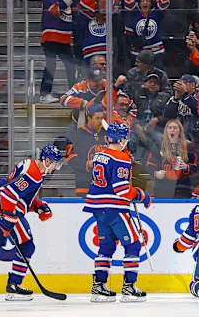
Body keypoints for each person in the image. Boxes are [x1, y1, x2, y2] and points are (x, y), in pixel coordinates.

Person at [0, 144, 63, 301]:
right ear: (46, 160)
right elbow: (10, 195)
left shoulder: (33, 167)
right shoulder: (32, 173)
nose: (55, 167)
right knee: (27, 245)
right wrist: (8, 218)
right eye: (55, 163)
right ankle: (14, 286)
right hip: (6, 210)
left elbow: (20, 194)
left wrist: (37, 206)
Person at [84, 123, 151, 302]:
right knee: (133, 245)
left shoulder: (99, 155)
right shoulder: (121, 158)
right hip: (115, 209)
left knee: (106, 247)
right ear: (122, 139)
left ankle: (98, 288)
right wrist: (140, 194)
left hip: (98, 209)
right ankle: (129, 288)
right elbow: (121, 189)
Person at [145, 119, 198, 198]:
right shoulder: (158, 146)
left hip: (182, 188)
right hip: (162, 188)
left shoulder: (188, 146)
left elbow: (197, 168)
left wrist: (186, 167)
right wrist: (156, 173)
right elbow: (149, 165)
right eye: (170, 128)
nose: (172, 130)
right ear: (166, 131)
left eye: (175, 128)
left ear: (180, 131)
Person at [39, 0, 76, 104]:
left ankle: (73, 92)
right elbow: (55, 10)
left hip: (64, 37)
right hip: (51, 35)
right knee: (51, 65)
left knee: (71, 66)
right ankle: (44, 94)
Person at [65, 104, 106, 197]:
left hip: (105, 184)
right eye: (97, 118)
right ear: (89, 118)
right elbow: (70, 158)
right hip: (84, 183)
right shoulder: (76, 135)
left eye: (101, 118)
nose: (100, 121)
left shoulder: (106, 134)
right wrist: (87, 164)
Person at [124, 0, 170, 65]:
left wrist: (157, 0)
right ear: (139, 4)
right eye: (143, 1)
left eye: (147, 1)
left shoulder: (156, 13)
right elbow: (129, 3)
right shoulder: (134, 14)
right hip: (137, 54)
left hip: (156, 53)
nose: (145, 2)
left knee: (156, 74)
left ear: (151, 4)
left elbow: (163, 3)